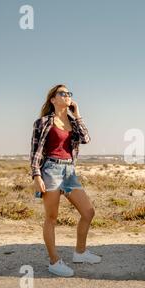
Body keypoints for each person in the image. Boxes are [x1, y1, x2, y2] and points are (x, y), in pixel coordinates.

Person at [30, 84, 101, 277]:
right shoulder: (43, 122)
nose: (67, 96)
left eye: (69, 93)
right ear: (53, 99)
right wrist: (36, 175)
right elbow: (36, 152)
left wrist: (77, 114)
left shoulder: (72, 121)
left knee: (88, 212)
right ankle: (54, 261)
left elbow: (86, 138)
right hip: (51, 170)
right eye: (63, 93)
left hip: (69, 171)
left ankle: (80, 253)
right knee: (51, 218)